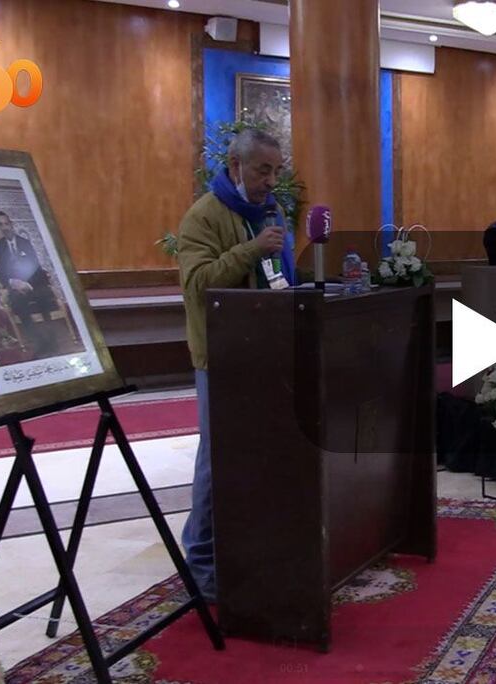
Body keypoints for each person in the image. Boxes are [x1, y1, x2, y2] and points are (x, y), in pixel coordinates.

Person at [176, 128, 295, 601]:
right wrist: (252, 249)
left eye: (276, 171)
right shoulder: (203, 217)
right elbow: (198, 285)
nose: (271, 181)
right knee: (218, 459)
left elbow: (279, 278)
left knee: (262, 455)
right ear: (235, 167)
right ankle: (201, 565)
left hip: (267, 351)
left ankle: (253, 547)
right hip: (222, 357)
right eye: (263, 170)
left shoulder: (270, 212)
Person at [0, 211, 58, 354]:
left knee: (43, 295)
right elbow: (0, 271)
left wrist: (28, 284)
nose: (5, 227)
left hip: (31, 284)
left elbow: (36, 267)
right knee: (17, 302)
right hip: (15, 288)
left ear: (12, 225)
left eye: (6, 224)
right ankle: (40, 341)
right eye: (1, 225)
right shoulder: (0, 245)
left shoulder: (24, 243)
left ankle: (52, 339)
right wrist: (13, 282)